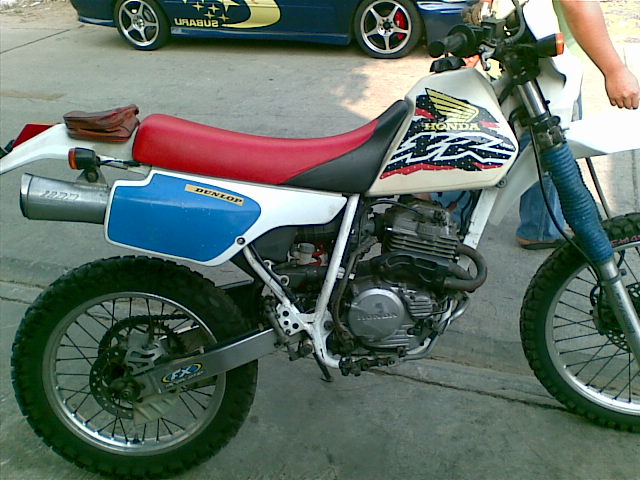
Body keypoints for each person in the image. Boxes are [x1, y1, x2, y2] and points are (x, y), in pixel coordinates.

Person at [515, 0, 639, 249]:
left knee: (538, 145)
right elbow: (577, 3)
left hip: (529, 52)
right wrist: (614, 70)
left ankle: (540, 225)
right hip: (545, 64)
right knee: (551, 147)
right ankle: (540, 229)